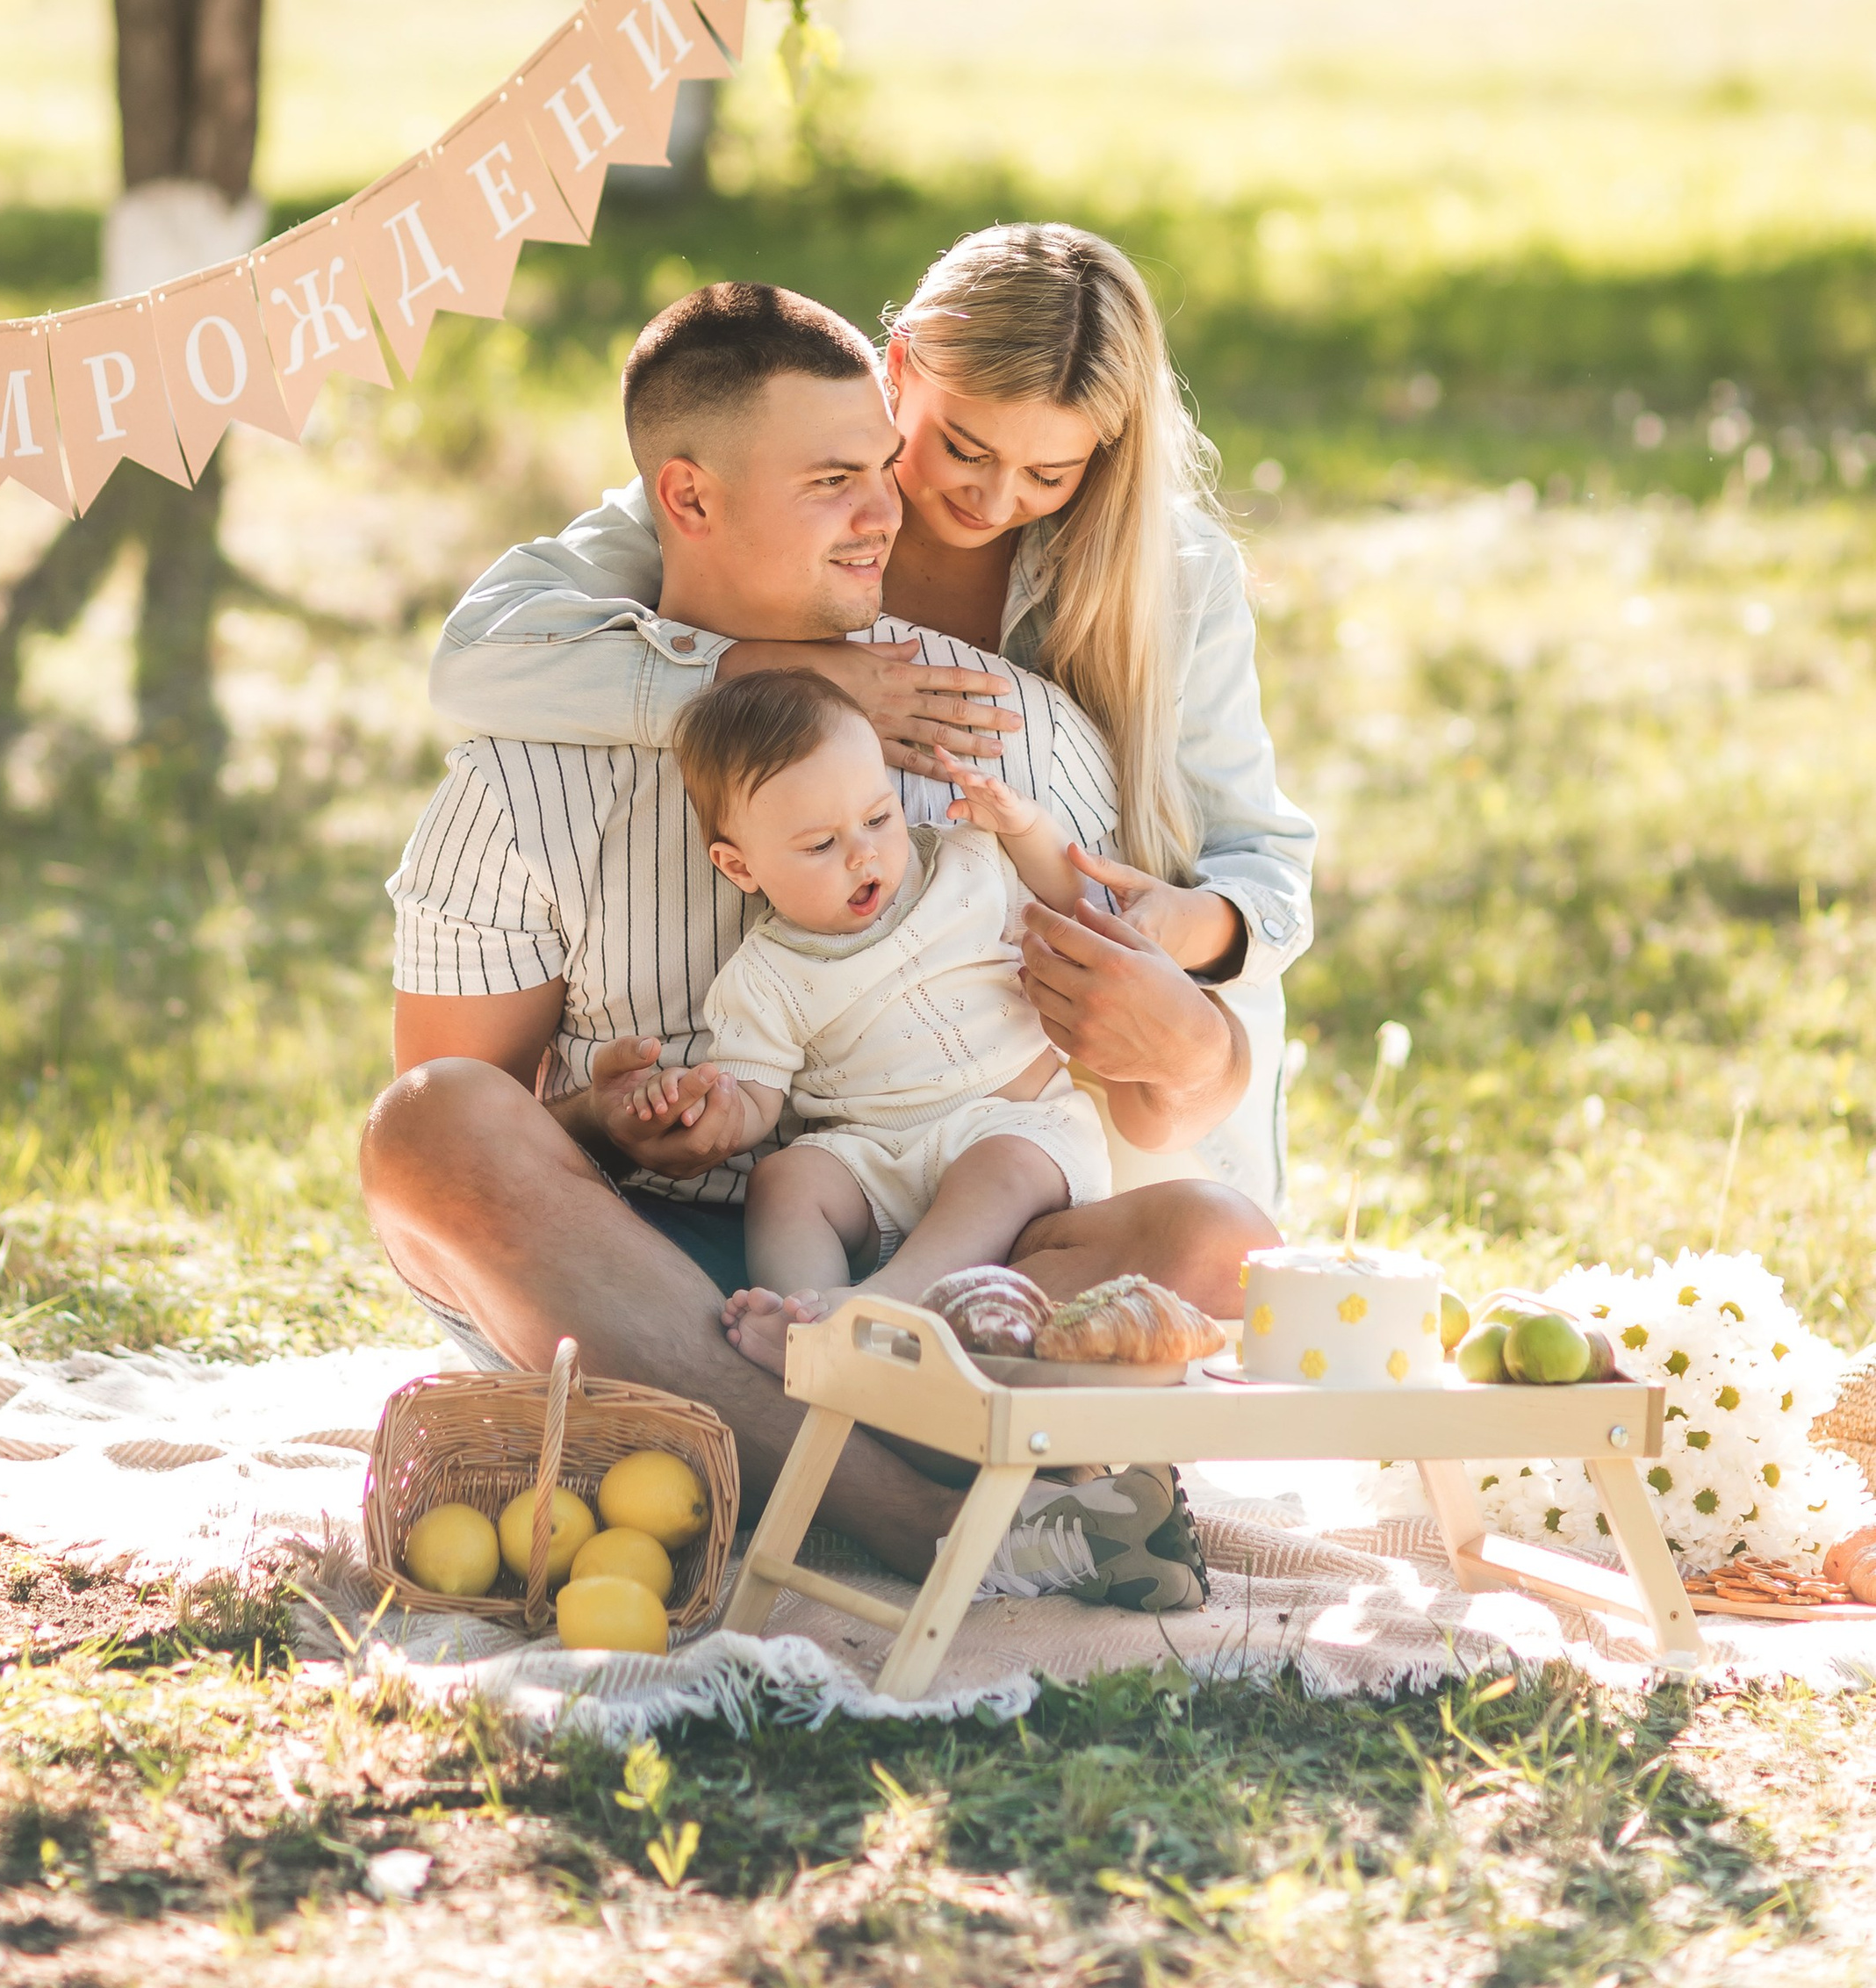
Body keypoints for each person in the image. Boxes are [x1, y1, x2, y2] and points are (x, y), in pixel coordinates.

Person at [363, 281, 1272, 1603]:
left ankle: (764, 1444)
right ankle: (912, 1507)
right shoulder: (524, 776)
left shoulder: (999, 734)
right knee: (425, 1123)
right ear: (689, 498)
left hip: (934, 1263)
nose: (890, 511)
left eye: (882, 468)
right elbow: (471, 1145)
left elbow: (1134, 1087)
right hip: (632, 1272)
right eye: (837, 478)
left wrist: (1194, 1030)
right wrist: (615, 1124)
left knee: (1211, 1237)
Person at [430, 221, 1315, 1214]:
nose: (994, 497)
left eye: (1049, 475)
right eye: (963, 447)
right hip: (827, 1050)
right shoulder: (782, 488)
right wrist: (774, 671)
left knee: (1178, 1215)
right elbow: (480, 656)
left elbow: (1258, 854)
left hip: (1089, 1013)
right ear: (900, 373)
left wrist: (1180, 927)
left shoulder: (1165, 576)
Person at [659, 664, 1118, 1367]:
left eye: (878, 816)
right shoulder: (765, 974)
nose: (863, 852)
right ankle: (809, 1326)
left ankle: (889, 1303)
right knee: (785, 1180)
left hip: (1020, 1124)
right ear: (739, 866)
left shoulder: (965, 864)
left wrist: (1024, 828)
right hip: (876, 1158)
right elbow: (756, 1101)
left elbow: (1069, 897)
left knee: (998, 1166)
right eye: (820, 845)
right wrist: (713, 1111)